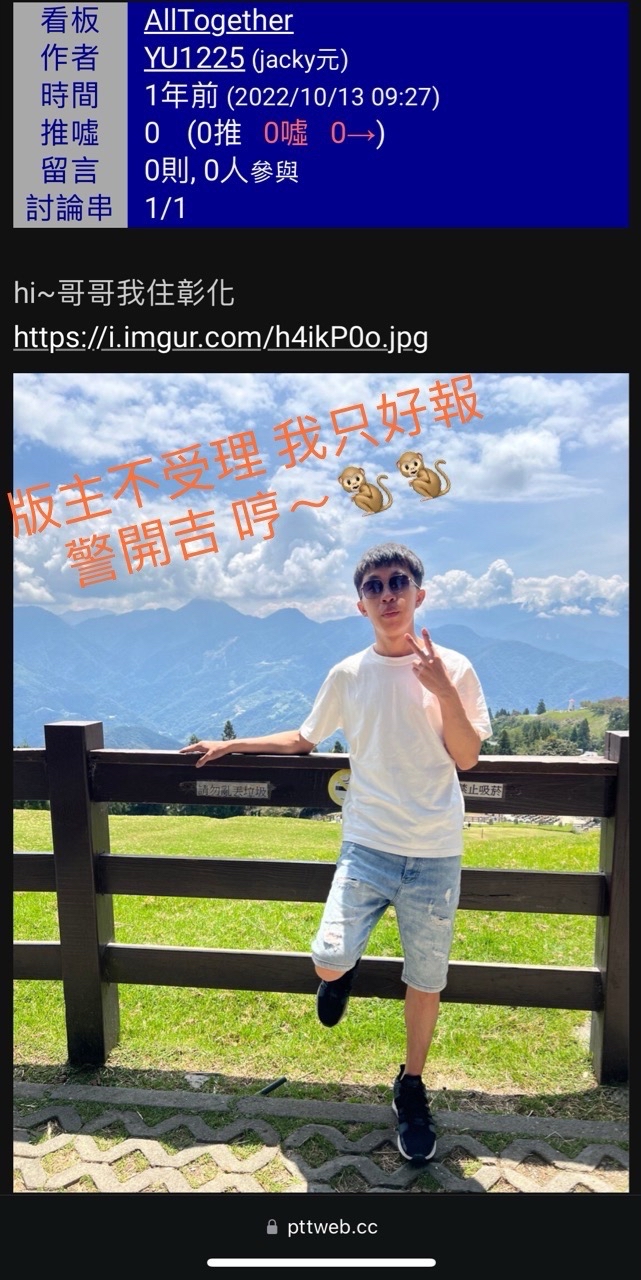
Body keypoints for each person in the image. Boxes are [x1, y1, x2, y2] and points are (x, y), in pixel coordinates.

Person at [180, 543, 492, 1163]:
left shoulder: (453, 667)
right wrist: (234, 746)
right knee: (327, 958)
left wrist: (442, 690)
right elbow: (304, 738)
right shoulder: (349, 674)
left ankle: (411, 1085)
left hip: (435, 850)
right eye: (374, 586)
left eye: (398, 582)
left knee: (426, 978)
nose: (387, 594)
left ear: (420, 594)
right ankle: (339, 972)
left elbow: (467, 756)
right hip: (367, 842)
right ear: (360, 604)